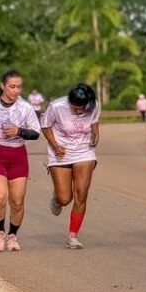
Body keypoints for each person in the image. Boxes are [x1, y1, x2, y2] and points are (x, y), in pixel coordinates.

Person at [0, 70, 41, 252]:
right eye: (12, 86)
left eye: (19, 87)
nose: (16, 90)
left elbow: (35, 133)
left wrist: (19, 131)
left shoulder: (25, 107)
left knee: (17, 201)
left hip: (18, 156)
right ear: (2, 86)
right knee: (0, 196)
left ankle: (12, 235)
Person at [42, 84, 100, 249]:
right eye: (75, 107)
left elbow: (94, 123)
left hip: (84, 152)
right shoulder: (56, 106)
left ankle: (73, 236)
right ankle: (57, 198)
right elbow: (45, 126)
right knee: (65, 198)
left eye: (82, 108)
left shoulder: (94, 105)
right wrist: (55, 146)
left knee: (81, 194)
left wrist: (95, 135)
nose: (78, 110)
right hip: (61, 152)